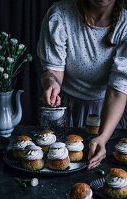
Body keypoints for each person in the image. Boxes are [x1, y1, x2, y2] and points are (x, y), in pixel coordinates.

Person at [37, 0, 127, 170]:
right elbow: (53, 70)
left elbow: (118, 89)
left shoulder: (125, 25)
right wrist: (51, 83)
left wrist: (103, 137)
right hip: (65, 108)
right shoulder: (60, 14)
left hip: (108, 112)